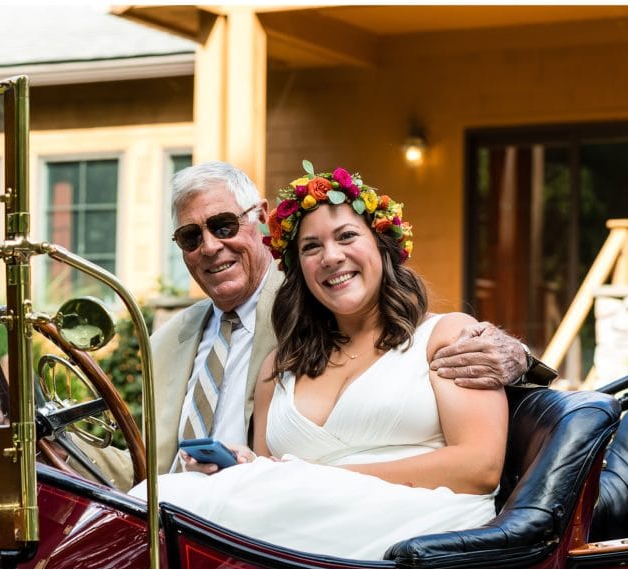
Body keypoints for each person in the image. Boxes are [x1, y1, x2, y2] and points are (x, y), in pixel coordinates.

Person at [65, 161, 546, 490]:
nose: (210, 246)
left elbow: (462, 380)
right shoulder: (168, 338)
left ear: (262, 223)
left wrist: (517, 355)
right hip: (188, 511)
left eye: (225, 226)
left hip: (288, 517)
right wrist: (57, 437)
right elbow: (147, 463)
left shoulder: (312, 304)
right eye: (191, 237)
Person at [129, 164, 507, 560]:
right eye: (311, 247)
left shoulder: (447, 337)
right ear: (298, 270)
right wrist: (250, 466)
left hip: (414, 535)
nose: (330, 257)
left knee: (171, 506)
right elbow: (270, 469)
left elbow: (480, 466)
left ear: (382, 244)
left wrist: (319, 480)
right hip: (301, 528)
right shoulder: (279, 366)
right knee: (159, 500)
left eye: (346, 237)